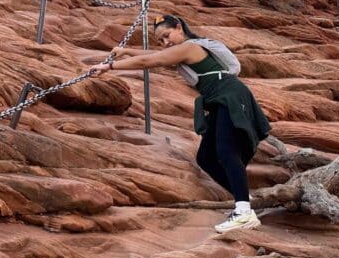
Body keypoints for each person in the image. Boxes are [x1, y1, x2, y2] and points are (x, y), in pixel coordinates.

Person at [89, 14, 271, 233]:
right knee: (206, 158)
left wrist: (109, 66)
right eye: (161, 40)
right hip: (218, 100)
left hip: (229, 96)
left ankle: (244, 213)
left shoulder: (190, 47)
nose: (166, 42)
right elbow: (158, 55)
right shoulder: (183, 50)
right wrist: (127, 51)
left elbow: (152, 61)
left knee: (226, 152)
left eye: (167, 35)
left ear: (179, 27)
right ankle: (246, 202)